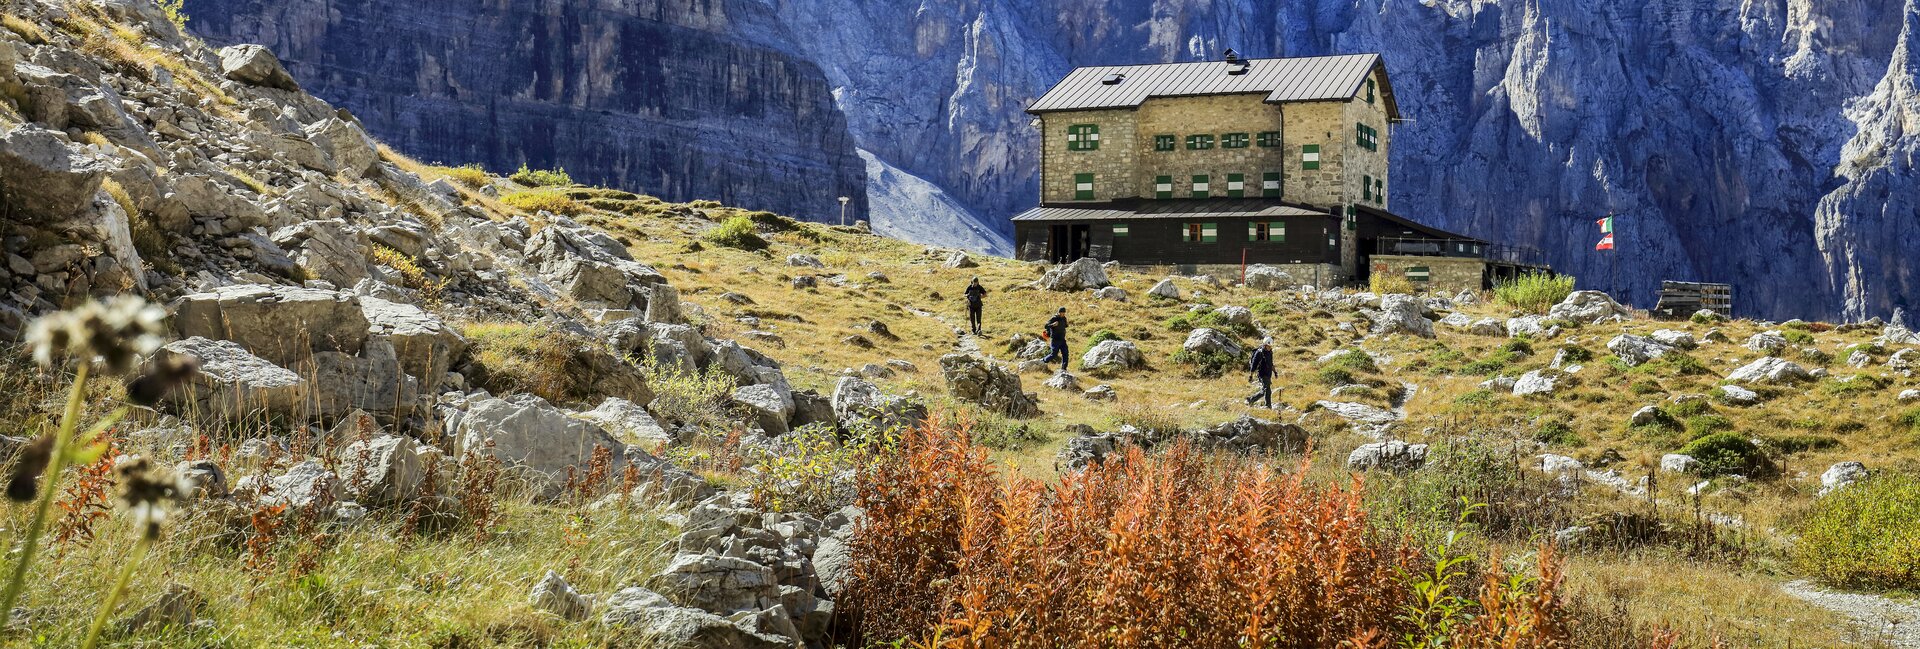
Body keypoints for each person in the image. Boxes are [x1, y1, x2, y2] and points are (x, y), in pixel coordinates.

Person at [1246, 337, 1276, 408]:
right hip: (1262, 374)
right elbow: (1254, 365)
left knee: (1264, 391)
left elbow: (1271, 363)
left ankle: (1251, 399)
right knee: (1268, 390)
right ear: (1265, 345)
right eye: (1268, 346)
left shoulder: (1270, 352)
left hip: (1268, 374)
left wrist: (1275, 372)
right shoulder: (1259, 353)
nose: (1269, 347)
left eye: (1270, 346)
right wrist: (1251, 375)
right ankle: (1268, 406)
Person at [1041, 307, 1070, 372]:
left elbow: (1065, 326)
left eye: (1064, 313)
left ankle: (1064, 369)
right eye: (1061, 313)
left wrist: (1067, 324)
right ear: (1059, 312)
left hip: (1062, 339)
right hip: (1055, 340)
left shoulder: (1064, 318)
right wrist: (1053, 324)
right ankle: (1043, 361)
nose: (1063, 314)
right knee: (1054, 354)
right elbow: (1046, 326)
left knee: (1065, 354)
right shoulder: (1054, 318)